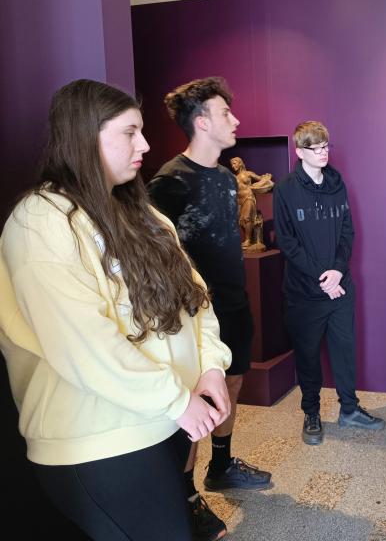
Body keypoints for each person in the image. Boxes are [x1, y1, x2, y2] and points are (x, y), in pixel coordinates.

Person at [0, 79, 232, 540]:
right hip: (100, 443)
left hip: (162, 424)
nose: (144, 145)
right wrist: (174, 400)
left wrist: (210, 366)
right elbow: (84, 344)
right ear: (85, 136)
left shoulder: (144, 214)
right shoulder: (42, 220)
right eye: (130, 132)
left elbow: (195, 299)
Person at [146, 77, 272, 538]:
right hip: (196, 315)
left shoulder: (223, 178)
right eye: (225, 114)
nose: (235, 120)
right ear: (201, 122)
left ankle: (221, 466)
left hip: (233, 304)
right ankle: (186, 495)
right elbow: (152, 255)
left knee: (232, 382)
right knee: (198, 398)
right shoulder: (168, 182)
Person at [273, 121, 385, 446]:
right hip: (304, 293)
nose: (323, 153)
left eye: (325, 146)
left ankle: (349, 409)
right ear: (299, 152)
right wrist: (323, 278)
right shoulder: (285, 190)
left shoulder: (337, 183)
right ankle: (311, 413)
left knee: (344, 351)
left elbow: (348, 232)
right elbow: (288, 243)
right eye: (315, 148)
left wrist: (337, 271)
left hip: (340, 287)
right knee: (308, 356)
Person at [230, 156, 273, 249]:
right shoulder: (234, 177)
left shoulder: (248, 173)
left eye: (234, 163)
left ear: (240, 163)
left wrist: (266, 179)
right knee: (241, 221)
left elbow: (260, 179)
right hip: (239, 200)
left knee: (247, 218)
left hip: (248, 197)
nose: (233, 166)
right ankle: (248, 240)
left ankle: (248, 240)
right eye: (231, 164)